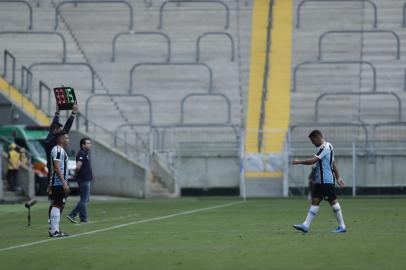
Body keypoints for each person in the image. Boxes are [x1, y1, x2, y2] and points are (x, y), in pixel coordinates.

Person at [291, 130, 347, 233]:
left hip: (326, 181)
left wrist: (299, 162)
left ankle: (342, 226)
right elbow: (333, 163)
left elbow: (313, 160)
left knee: (332, 201)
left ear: (317, 137)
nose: (312, 143)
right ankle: (305, 225)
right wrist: (338, 177)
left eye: (313, 140)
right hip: (319, 181)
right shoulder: (325, 148)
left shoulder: (325, 147)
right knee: (315, 201)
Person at [45, 102, 78, 222]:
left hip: (59, 175)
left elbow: (59, 128)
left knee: (60, 201)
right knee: (58, 202)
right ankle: (52, 222)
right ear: (55, 131)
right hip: (56, 175)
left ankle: (53, 221)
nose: (62, 131)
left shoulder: (54, 139)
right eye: (59, 129)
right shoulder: (51, 142)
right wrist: (73, 113)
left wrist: (57, 112)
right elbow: (65, 129)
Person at [49, 131, 70, 237]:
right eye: (66, 138)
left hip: (58, 182)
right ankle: (54, 231)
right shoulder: (57, 150)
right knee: (57, 205)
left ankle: (55, 229)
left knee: (58, 205)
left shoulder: (60, 150)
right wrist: (63, 182)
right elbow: (56, 167)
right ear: (61, 139)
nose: (68, 140)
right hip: (58, 183)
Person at [67, 137, 93, 224]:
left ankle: (83, 218)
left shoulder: (85, 153)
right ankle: (72, 214)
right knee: (84, 200)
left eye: (90, 143)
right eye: (88, 143)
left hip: (85, 179)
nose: (90, 145)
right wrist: (75, 174)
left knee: (84, 199)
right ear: (83, 145)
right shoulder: (82, 153)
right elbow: (78, 166)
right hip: (84, 179)